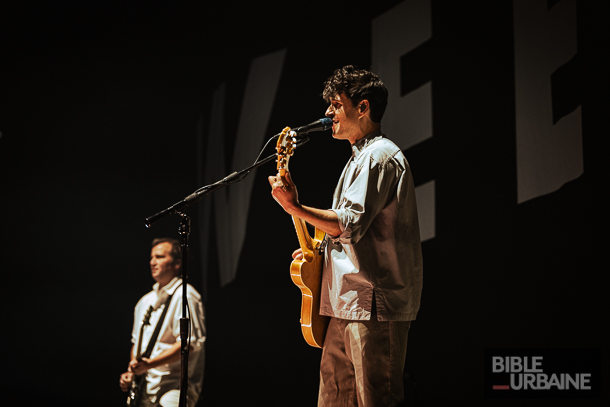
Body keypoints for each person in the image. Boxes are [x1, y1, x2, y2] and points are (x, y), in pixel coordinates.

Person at [269, 65, 423, 406]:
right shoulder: (358, 158)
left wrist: (296, 208)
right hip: (343, 303)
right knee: (334, 400)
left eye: (336, 105)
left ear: (363, 107)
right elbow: (349, 232)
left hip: (372, 306)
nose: (327, 112)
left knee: (377, 399)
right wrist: (319, 250)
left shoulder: (379, 157)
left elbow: (350, 225)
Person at [119, 237, 206, 407]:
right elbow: (137, 343)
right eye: (152, 257)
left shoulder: (186, 295)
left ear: (177, 264)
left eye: (160, 257)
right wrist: (133, 371)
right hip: (145, 387)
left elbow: (188, 344)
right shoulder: (145, 301)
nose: (153, 262)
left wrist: (149, 364)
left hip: (174, 388)